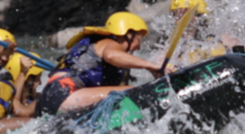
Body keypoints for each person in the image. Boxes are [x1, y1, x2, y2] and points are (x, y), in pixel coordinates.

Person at [35, 12, 166, 117]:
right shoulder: (111, 43)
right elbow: (112, 55)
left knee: (124, 93)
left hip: (50, 98)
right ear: (128, 34)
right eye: (139, 40)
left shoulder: (102, 48)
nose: (139, 47)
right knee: (132, 92)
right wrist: (151, 65)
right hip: (64, 93)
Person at [170, 0, 244, 65]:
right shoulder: (174, 50)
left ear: (199, 17)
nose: (177, 22)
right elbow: (160, 63)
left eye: (182, 16)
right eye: (176, 17)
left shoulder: (223, 39)